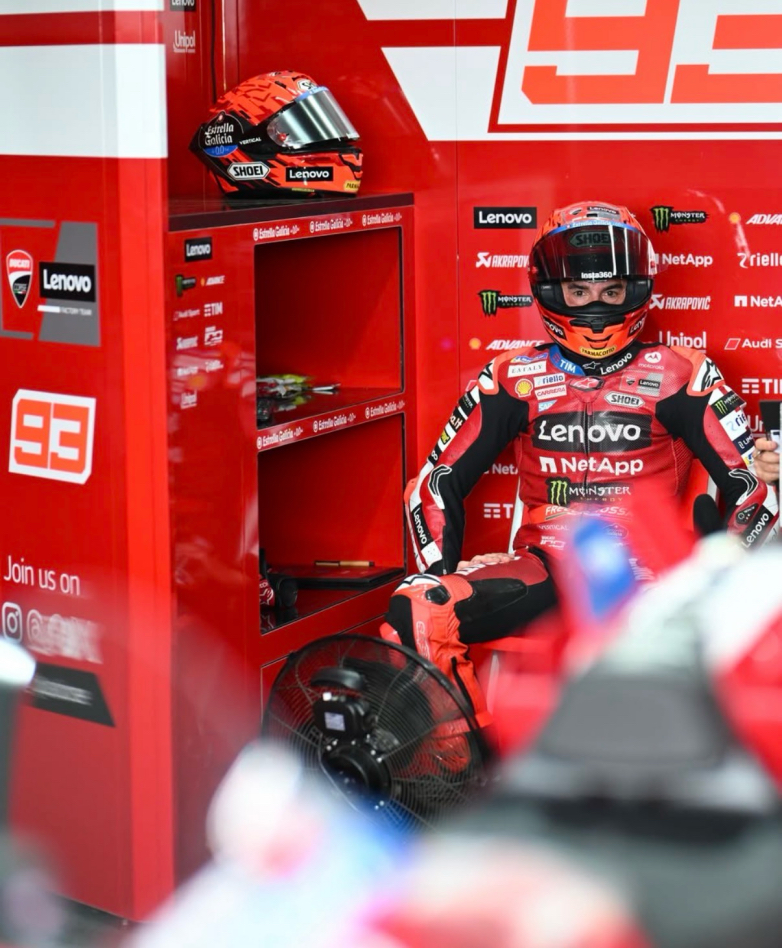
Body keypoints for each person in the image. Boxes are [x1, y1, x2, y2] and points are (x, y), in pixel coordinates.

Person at [379, 200, 779, 737]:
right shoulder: (511, 375)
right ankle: (464, 765)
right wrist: (436, 570)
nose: (596, 305)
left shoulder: (682, 373)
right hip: (544, 564)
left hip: (645, 573)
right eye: (579, 291)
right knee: (420, 608)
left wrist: (716, 581)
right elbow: (434, 484)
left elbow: (755, 488)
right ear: (551, 291)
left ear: (637, 289)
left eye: (612, 291)